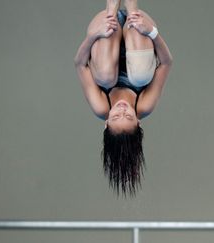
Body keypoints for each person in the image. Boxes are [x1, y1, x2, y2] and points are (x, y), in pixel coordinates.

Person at [74, 0, 173, 196]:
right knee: (140, 76)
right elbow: (166, 63)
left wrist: (95, 34)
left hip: (105, 29)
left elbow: (80, 65)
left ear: (105, 123)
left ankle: (111, 10)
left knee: (104, 76)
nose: (121, 110)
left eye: (115, 117)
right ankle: (132, 8)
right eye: (127, 117)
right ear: (138, 121)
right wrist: (151, 32)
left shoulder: (100, 106)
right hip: (137, 28)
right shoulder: (144, 104)